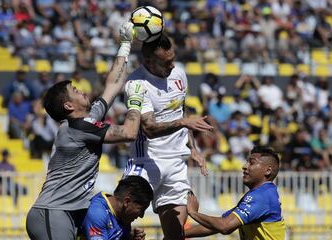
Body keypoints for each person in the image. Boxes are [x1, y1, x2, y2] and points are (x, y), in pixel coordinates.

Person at [26, 21, 145, 240]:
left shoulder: (84, 122)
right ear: (68, 106)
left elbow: (113, 85)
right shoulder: (78, 127)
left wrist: (125, 45)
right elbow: (129, 132)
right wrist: (136, 103)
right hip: (53, 212)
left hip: (66, 214)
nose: (82, 90)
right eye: (75, 90)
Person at [123, 33, 214, 240]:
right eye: (166, 62)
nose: (172, 66)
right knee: (121, 219)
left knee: (176, 235)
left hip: (175, 164)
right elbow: (150, 129)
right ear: (148, 61)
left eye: (173, 59)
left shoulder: (179, 74)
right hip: (145, 161)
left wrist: (193, 149)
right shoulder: (136, 84)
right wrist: (183, 123)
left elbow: (182, 113)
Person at [185, 146, 286, 240]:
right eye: (247, 162)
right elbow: (217, 225)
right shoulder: (262, 193)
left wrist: (193, 213)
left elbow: (225, 226)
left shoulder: (261, 196)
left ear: (268, 171)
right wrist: (179, 234)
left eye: (252, 162)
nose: (244, 166)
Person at [81, 175, 153, 240]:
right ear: (127, 202)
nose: (141, 216)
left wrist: (130, 237)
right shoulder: (97, 214)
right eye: (141, 210)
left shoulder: (122, 215)